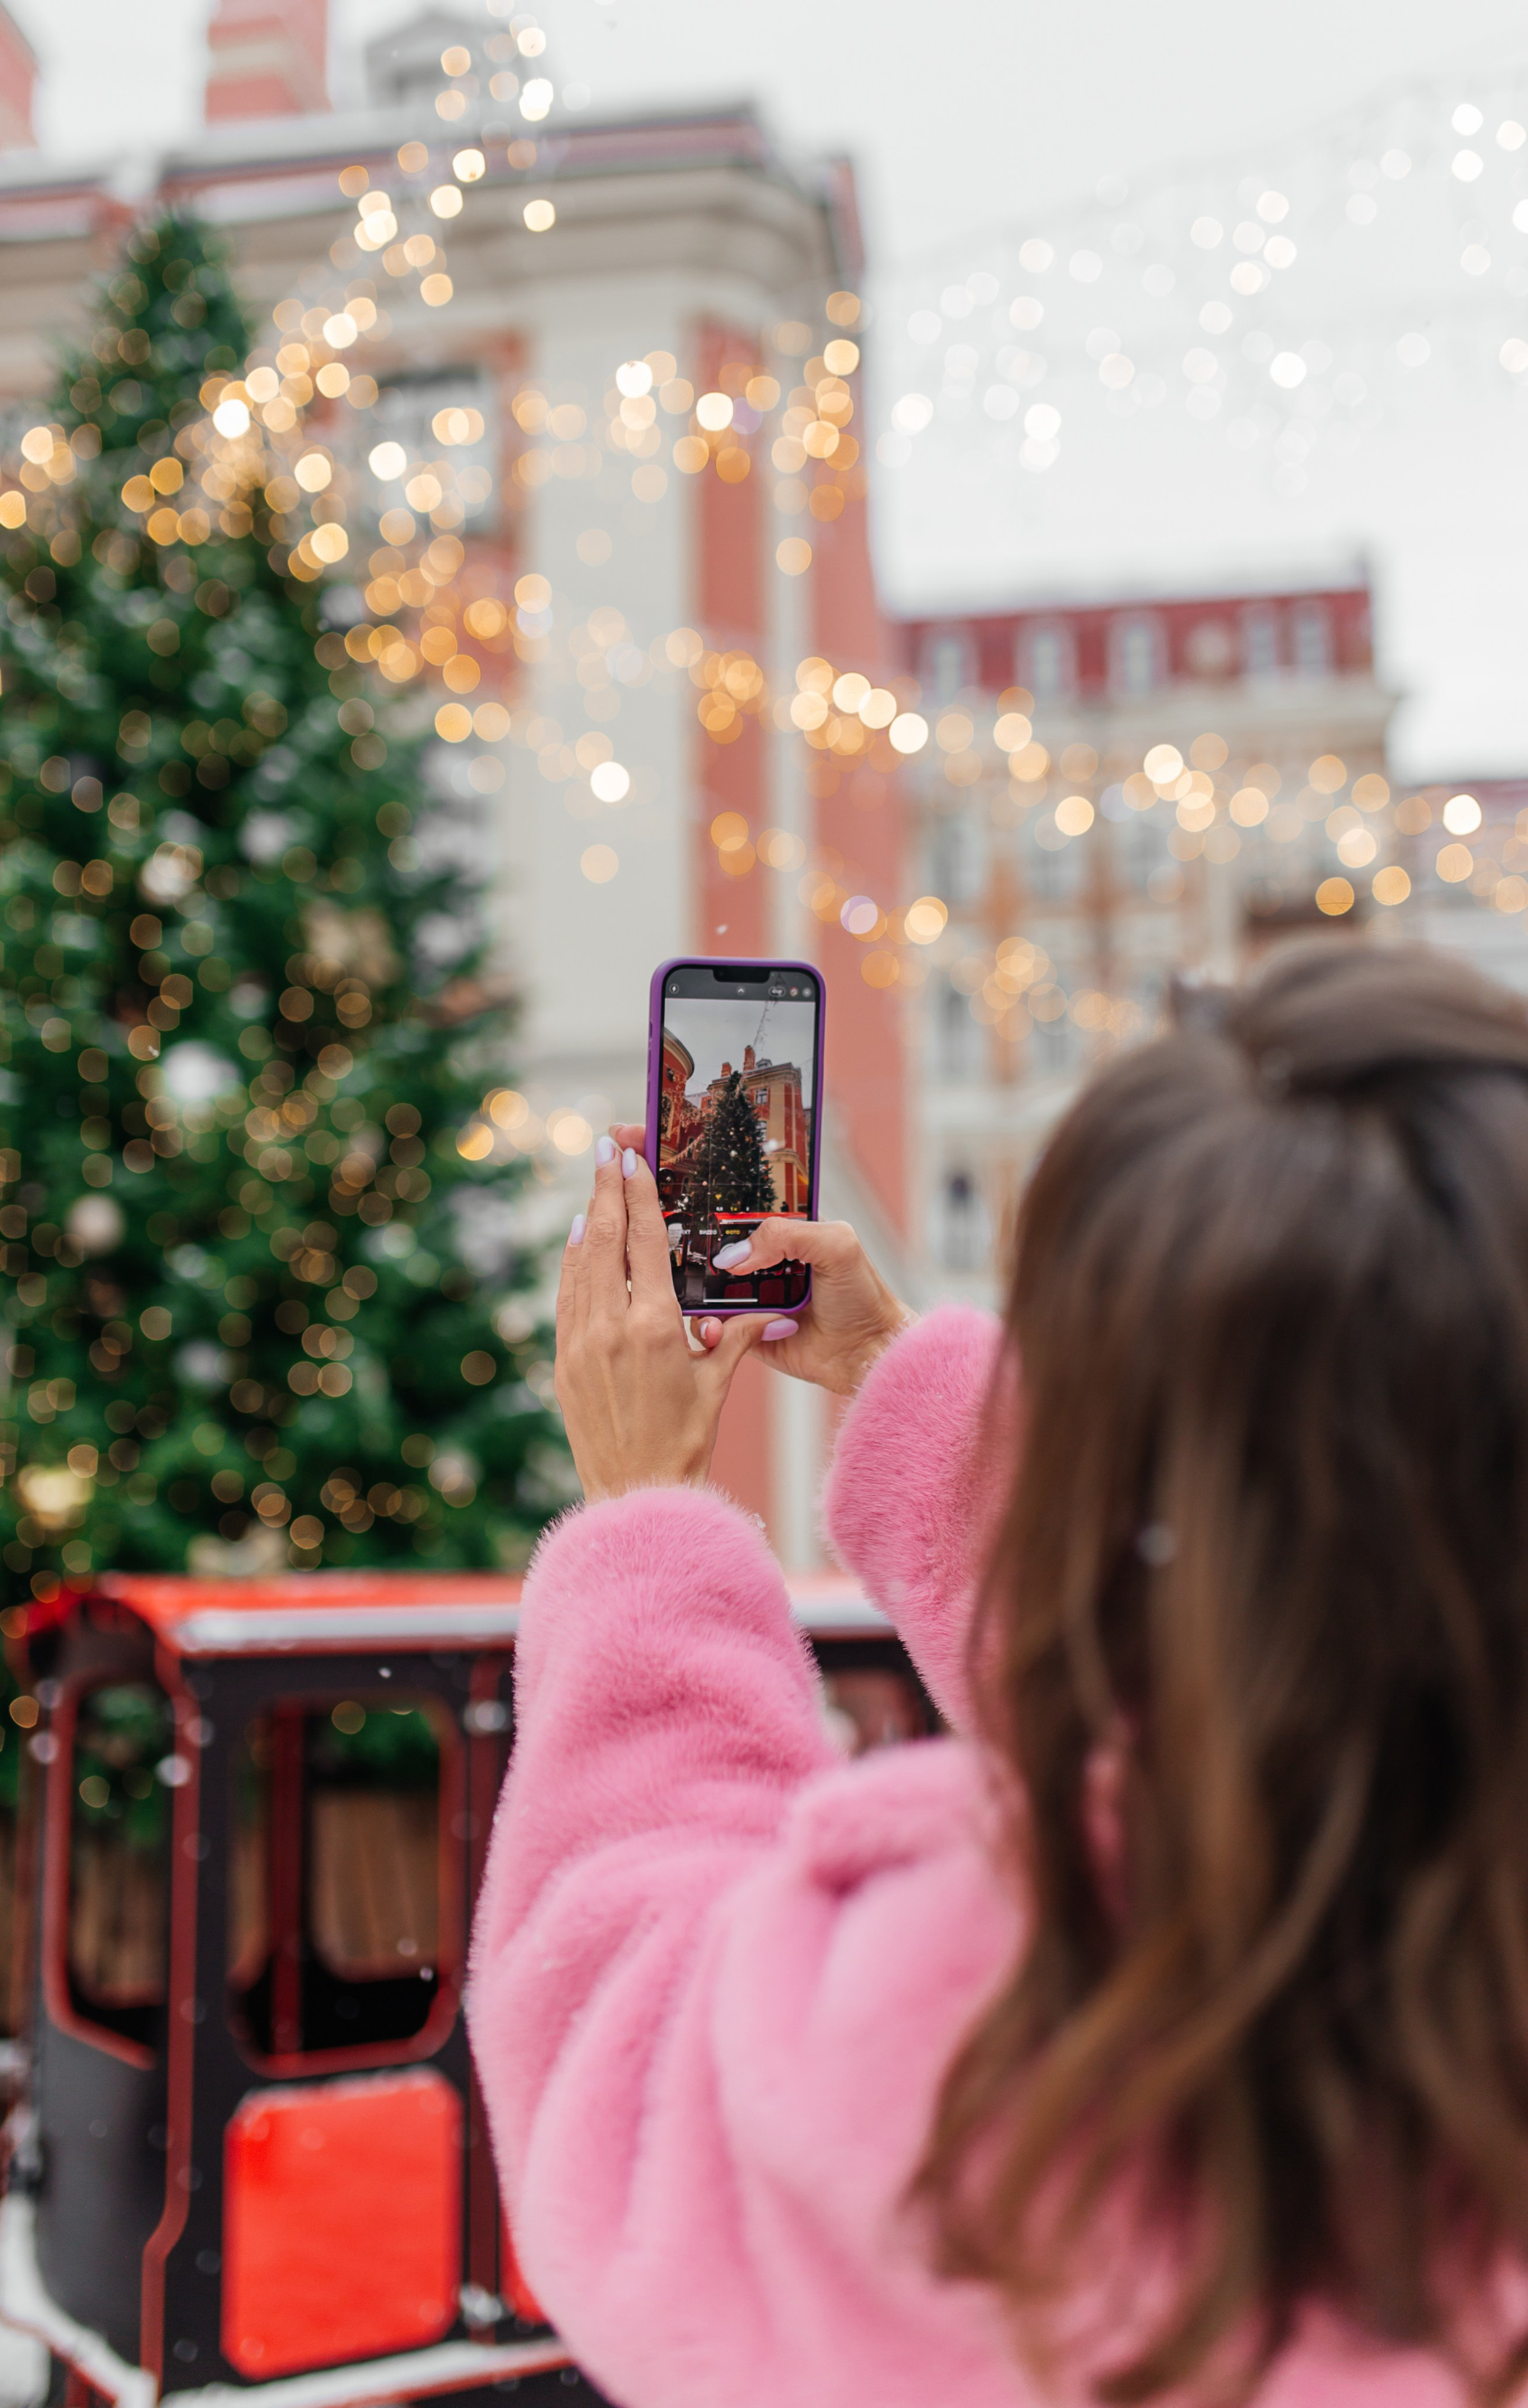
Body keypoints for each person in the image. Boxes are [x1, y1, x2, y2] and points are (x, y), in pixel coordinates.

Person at [469, 942, 1528, 2407]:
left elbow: (627, 2070)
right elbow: (1277, 1640)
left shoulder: (997, 2037)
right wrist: (893, 1382)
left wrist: (642, 1511)